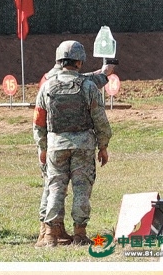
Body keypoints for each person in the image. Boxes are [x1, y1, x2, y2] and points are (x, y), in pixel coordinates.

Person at [33, 40, 112, 247]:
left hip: (55, 145)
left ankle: (50, 235)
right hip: (84, 147)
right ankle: (80, 234)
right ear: (80, 62)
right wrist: (103, 146)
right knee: (81, 189)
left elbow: (39, 122)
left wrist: (42, 147)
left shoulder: (46, 86)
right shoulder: (88, 86)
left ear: (59, 60)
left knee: (55, 188)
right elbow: (100, 120)